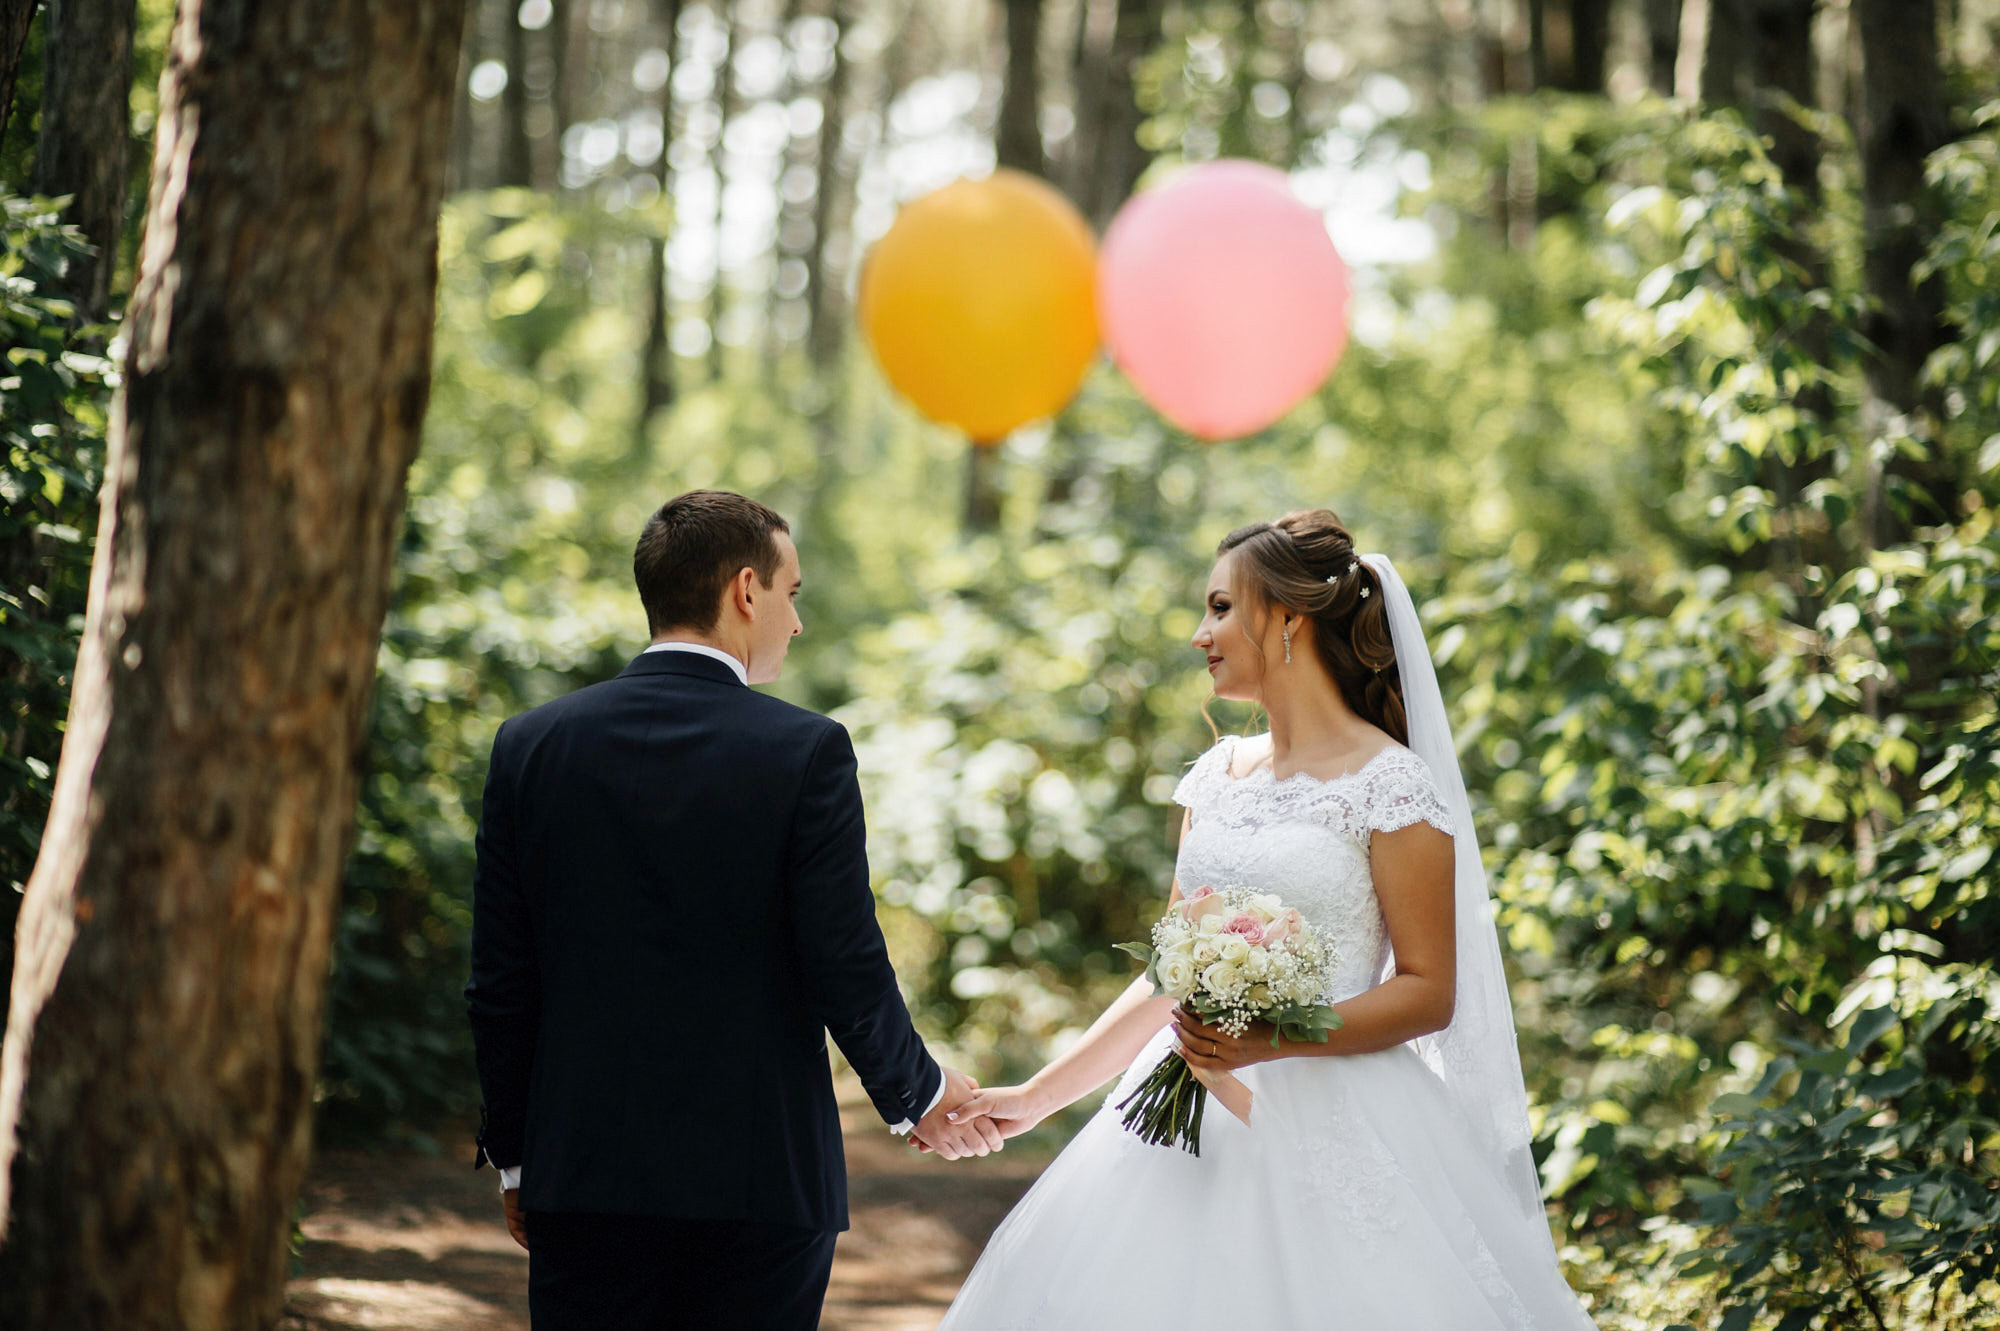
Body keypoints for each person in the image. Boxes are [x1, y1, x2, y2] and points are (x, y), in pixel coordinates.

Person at [937, 510, 1599, 1328]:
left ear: (1288, 617)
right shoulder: (1218, 776)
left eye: (1219, 607)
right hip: (1184, 1124)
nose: (1198, 634)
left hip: (1341, 1125)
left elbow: (1429, 992)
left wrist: (1273, 1039)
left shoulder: (1392, 786)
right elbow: (1164, 977)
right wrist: (1037, 1097)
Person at [465, 489, 1001, 1331]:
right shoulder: (805, 750)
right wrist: (919, 1093)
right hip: (761, 1182)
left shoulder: (531, 744)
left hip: (583, 1175)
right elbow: (844, 962)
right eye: (793, 594)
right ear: (746, 591)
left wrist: (519, 1159)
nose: (796, 622)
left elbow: (499, 981)